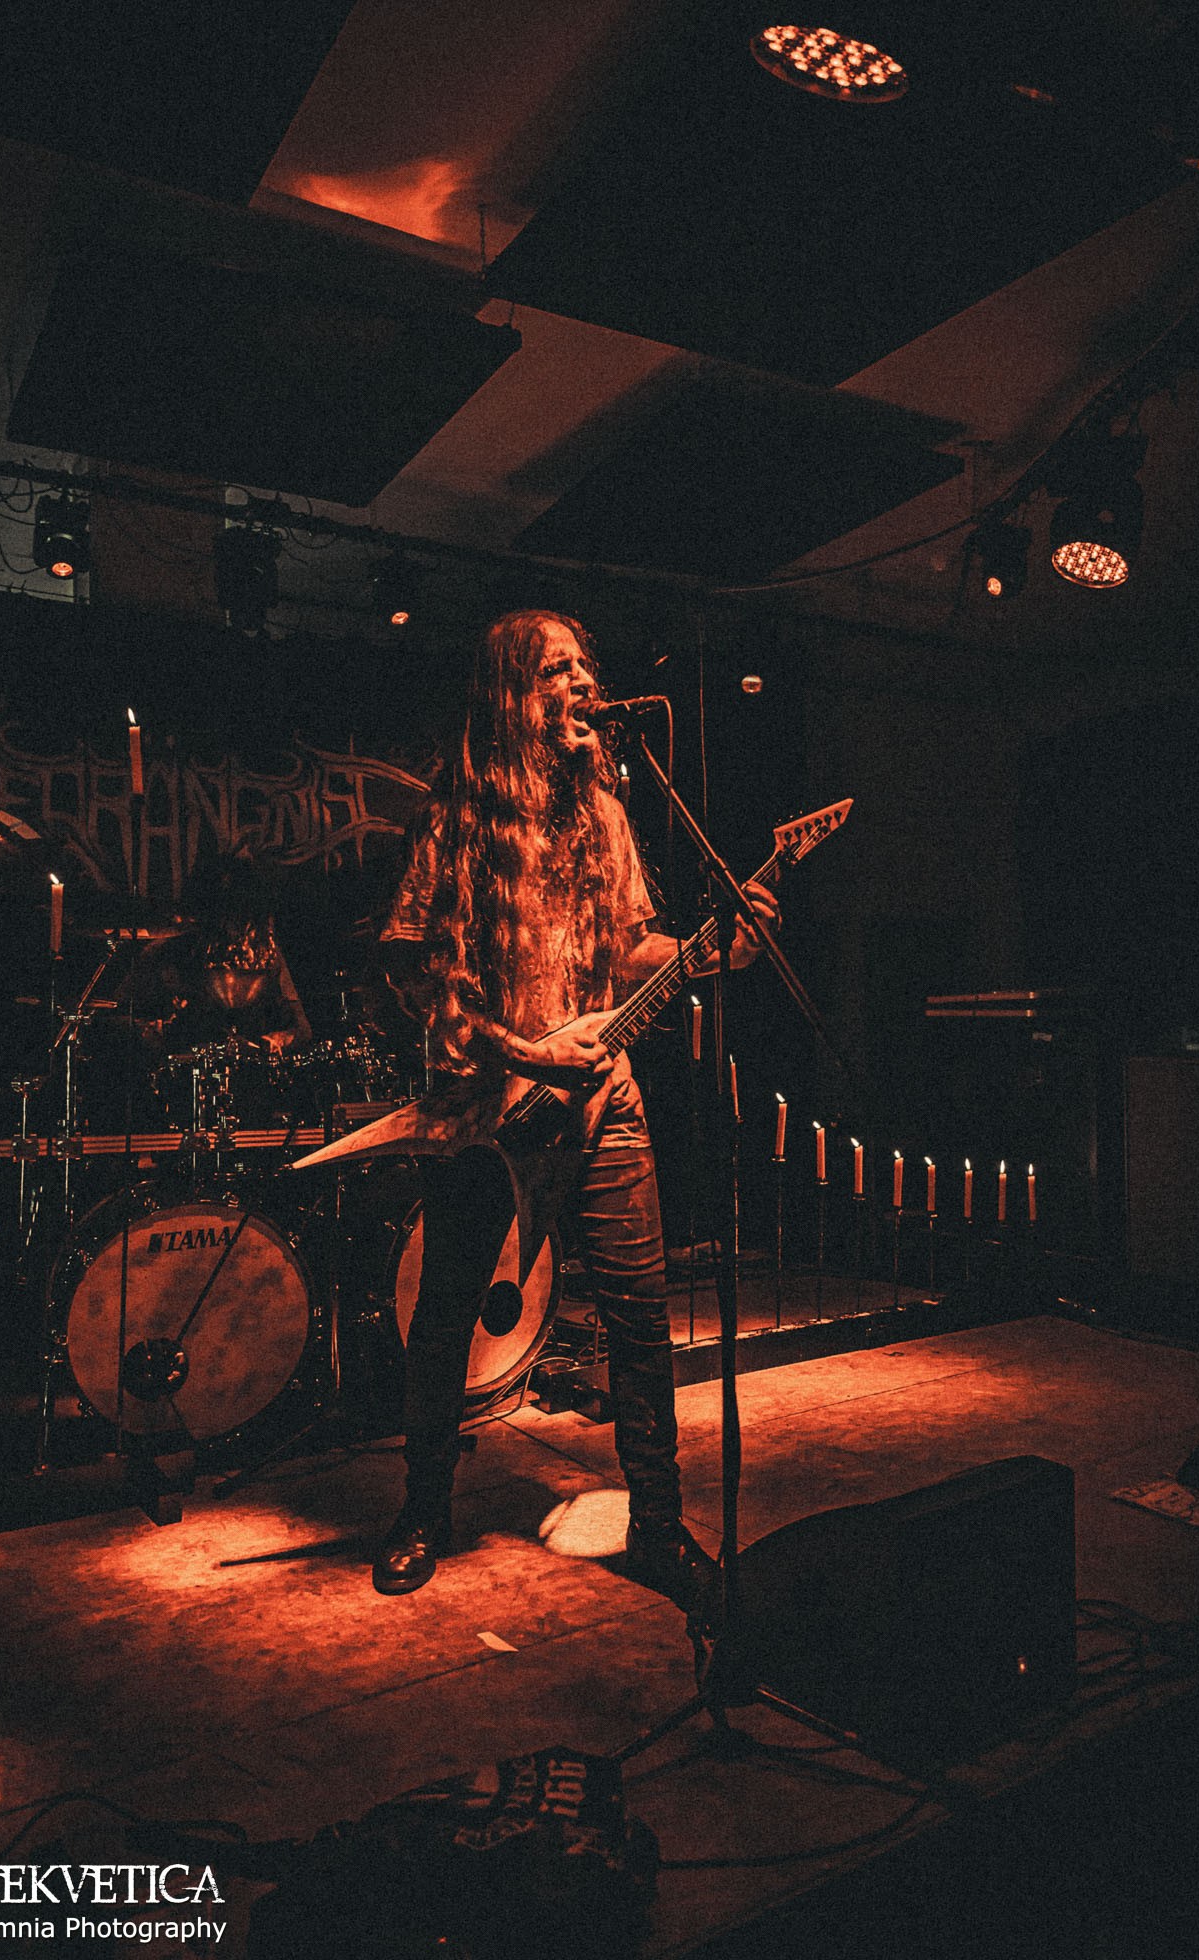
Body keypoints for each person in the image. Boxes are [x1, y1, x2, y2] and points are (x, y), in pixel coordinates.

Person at [373, 610, 778, 1604]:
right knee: (445, 1320)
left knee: (640, 1323)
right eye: (556, 669)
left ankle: (657, 1528)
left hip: (604, 1103)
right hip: (484, 1107)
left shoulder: (604, 814)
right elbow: (412, 964)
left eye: (584, 667)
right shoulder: (458, 816)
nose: (581, 683)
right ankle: (423, 1508)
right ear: (513, 692)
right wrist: (523, 1050)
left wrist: (713, 950)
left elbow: (630, 951)